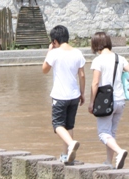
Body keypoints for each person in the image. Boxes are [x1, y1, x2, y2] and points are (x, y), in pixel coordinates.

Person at [87, 31, 129, 169]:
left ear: (96, 45)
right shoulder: (119, 58)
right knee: (111, 132)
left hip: (106, 101)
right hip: (120, 100)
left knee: (103, 133)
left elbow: (95, 83)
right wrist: (120, 76)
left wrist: (91, 103)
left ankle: (120, 151)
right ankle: (109, 162)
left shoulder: (98, 60)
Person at [42, 24, 86, 164]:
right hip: (74, 95)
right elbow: (82, 75)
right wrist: (82, 93)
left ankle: (71, 144)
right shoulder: (77, 52)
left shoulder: (54, 53)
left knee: (57, 125)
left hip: (60, 96)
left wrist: (49, 51)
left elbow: (44, 70)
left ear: (54, 41)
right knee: (69, 126)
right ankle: (66, 155)